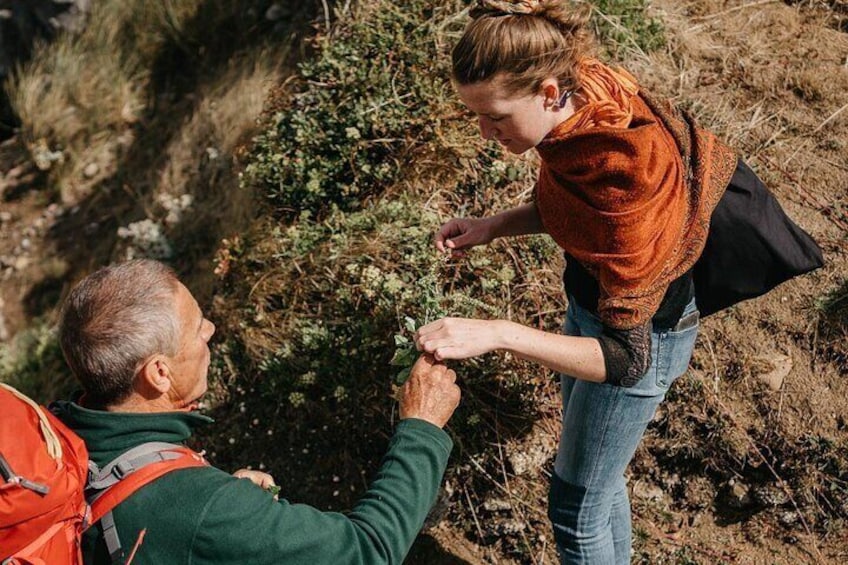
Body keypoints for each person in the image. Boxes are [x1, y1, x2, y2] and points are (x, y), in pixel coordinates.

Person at [413, 1, 751, 563]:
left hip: (636, 337)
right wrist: (495, 226)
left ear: (547, 93)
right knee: (599, 483)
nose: (484, 131)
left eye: (495, 116)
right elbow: (576, 205)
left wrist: (497, 332)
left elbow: (625, 359)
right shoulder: (587, 98)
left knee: (575, 511)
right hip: (594, 311)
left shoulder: (622, 170)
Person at [53, 259, 461, 564]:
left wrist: (220, 516)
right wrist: (421, 428)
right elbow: (367, 550)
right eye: (197, 328)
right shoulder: (203, 507)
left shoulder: (59, 439)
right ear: (159, 373)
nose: (210, 329)